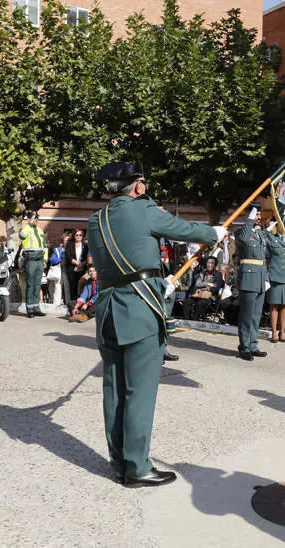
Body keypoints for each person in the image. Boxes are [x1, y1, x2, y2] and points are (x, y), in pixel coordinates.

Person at [88, 161, 224, 488]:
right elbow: (186, 230)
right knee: (140, 392)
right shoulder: (144, 210)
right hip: (138, 310)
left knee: (115, 390)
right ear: (137, 186)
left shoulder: (95, 220)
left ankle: (119, 462)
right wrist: (214, 233)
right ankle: (137, 468)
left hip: (108, 309)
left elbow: (125, 264)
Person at [234, 207, 269, 361]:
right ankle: (244, 347)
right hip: (248, 278)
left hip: (260, 278)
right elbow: (243, 240)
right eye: (256, 214)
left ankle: (253, 345)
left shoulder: (259, 234)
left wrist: (266, 277)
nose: (258, 217)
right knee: (246, 316)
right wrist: (249, 220)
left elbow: (264, 259)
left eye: (259, 214)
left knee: (256, 316)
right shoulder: (242, 232)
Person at [263, 219, 285, 343]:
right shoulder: (272, 239)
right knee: (274, 305)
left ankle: (282, 332)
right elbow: (262, 237)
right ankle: (273, 332)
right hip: (275, 276)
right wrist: (270, 226)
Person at [19, 212, 48, 318]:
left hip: (40, 261)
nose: (36, 220)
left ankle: (36, 308)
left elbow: (45, 246)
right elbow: (21, 236)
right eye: (34, 218)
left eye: (37, 219)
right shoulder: (26, 230)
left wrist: (45, 260)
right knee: (31, 285)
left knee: (37, 285)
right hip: (30, 261)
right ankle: (30, 310)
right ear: (29, 219)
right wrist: (29, 223)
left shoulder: (40, 231)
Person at [181, 256, 223, 321]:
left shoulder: (218, 274)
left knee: (200, 303)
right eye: (208, 263)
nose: (210, 265)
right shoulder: (203, 272)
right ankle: (187, 320)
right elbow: (197, 284)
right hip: (198, 295)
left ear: (215, 265)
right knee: (187, 302)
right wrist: (207, 284)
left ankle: (196, 320)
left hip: (210, 296)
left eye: (212, 263)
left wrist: (202, 289)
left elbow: (216, 287)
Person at [65, 229, 88, 303]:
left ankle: (80, 303)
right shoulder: (70, 244)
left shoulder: (85, 245)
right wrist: (77, 264)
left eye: (80, 235)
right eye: (77, 235)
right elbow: (68, 257)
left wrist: (81, 265)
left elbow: (87, 257)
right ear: (74, 236)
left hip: (82, 269)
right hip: (72, 269)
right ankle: (73, 304)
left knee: (82, 287)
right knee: (73, 287)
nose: (78, 236)